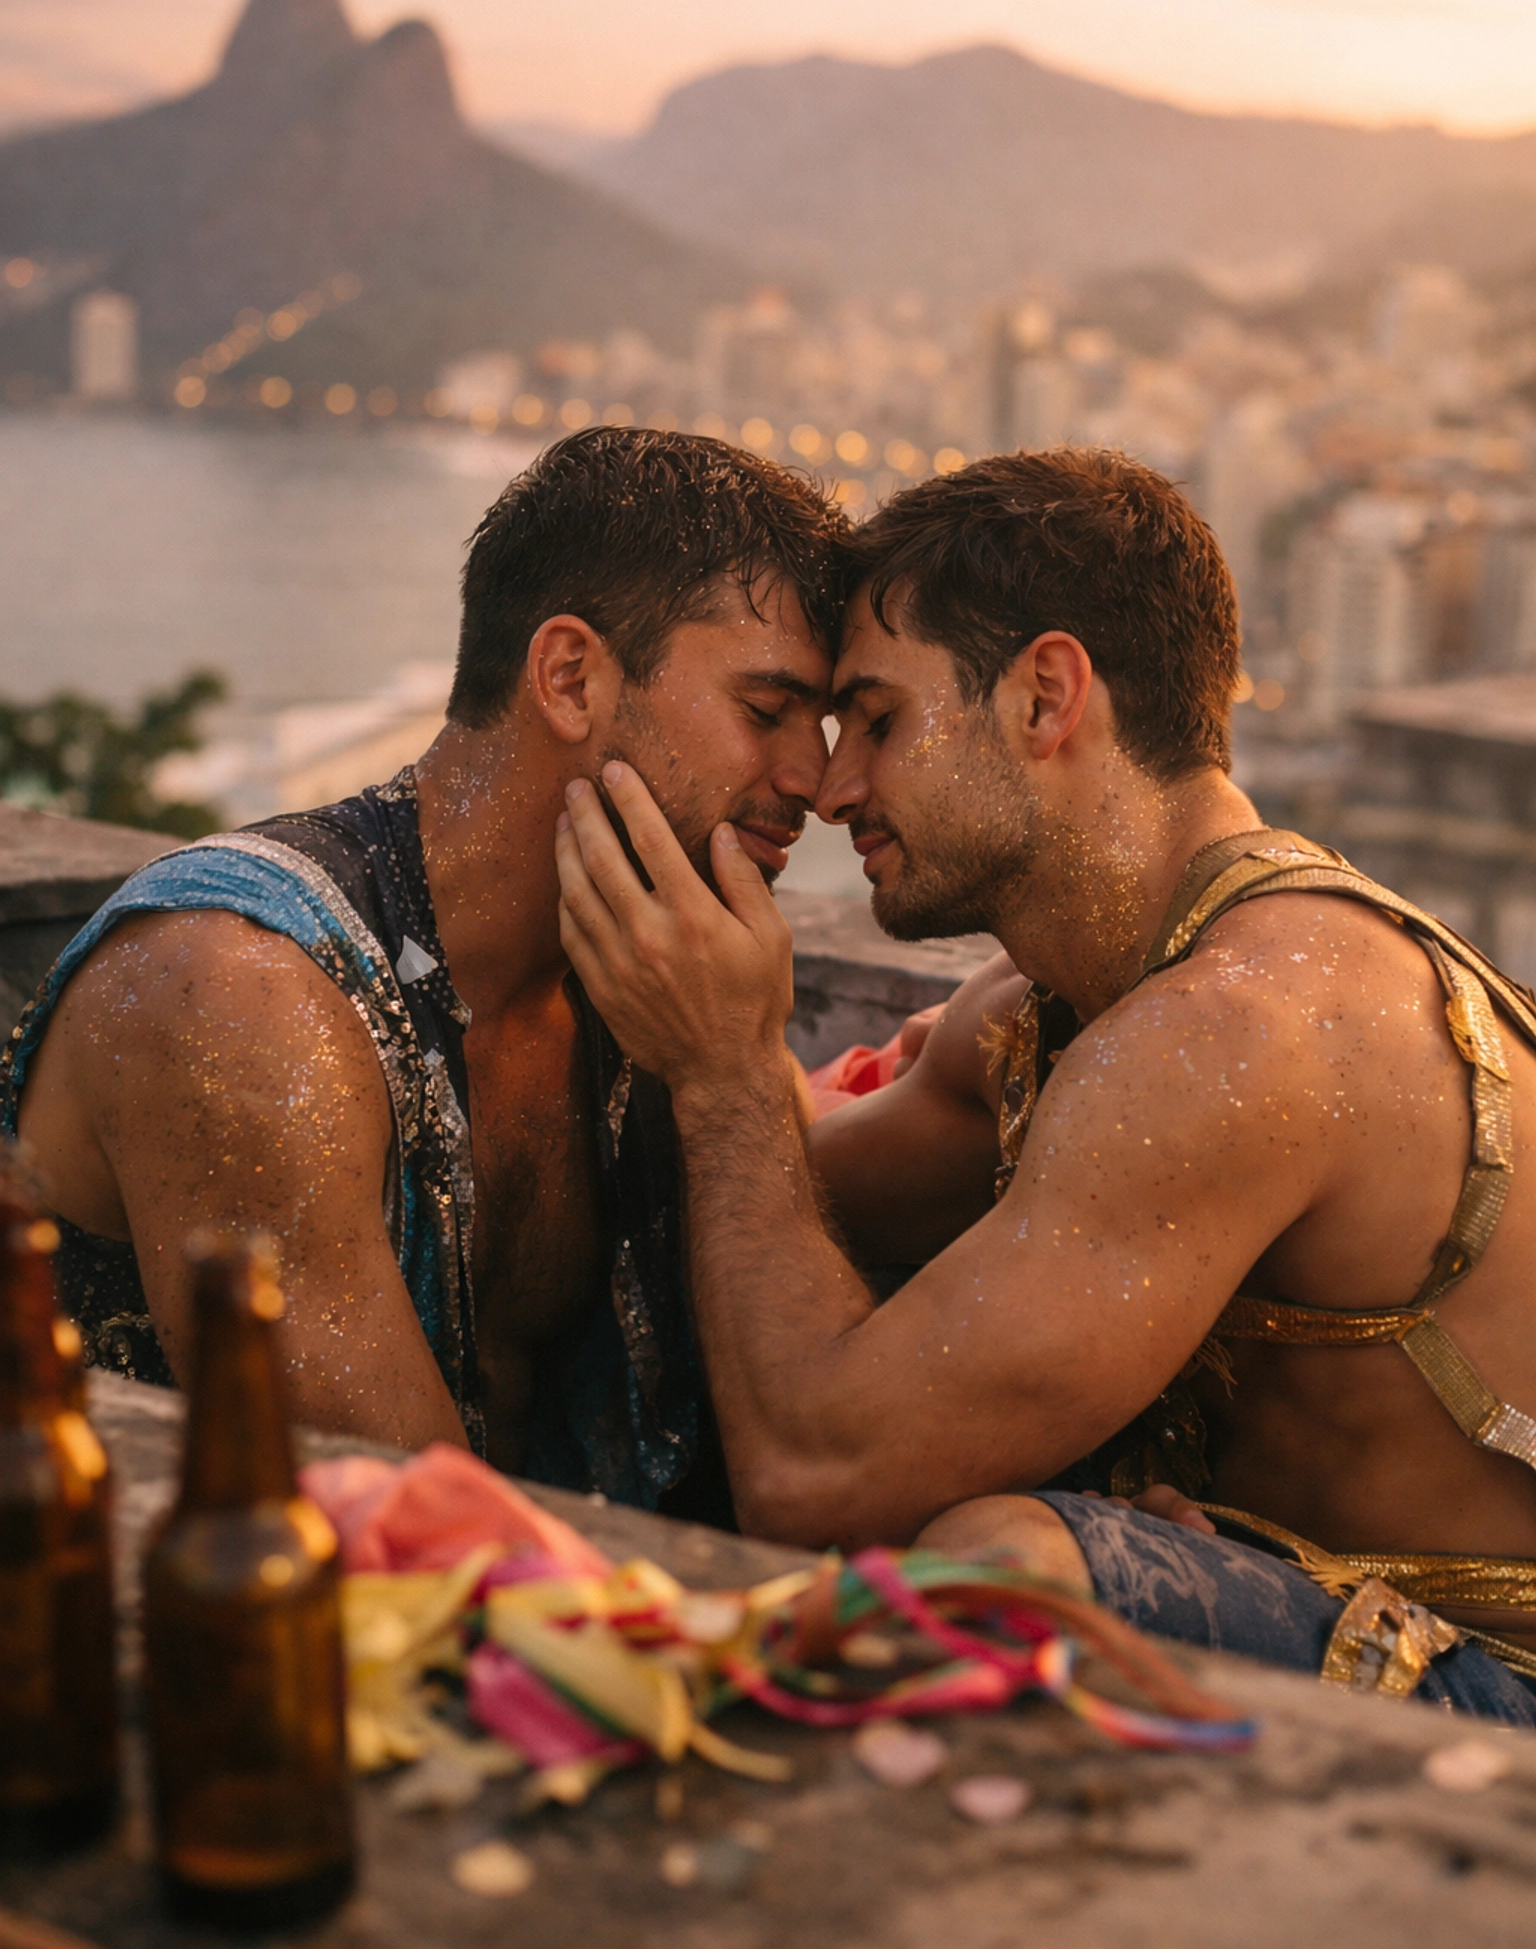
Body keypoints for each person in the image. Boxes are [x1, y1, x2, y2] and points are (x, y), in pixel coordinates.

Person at [555, 445, 1536, 1718]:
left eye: (882, 721)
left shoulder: (1241, 1029)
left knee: (1002, 1569)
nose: (834, 786)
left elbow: (814, 1476)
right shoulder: (1037, 1019)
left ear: (1045, 696)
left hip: (1493, 1702)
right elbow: (752, 1221)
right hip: (1297, 1586)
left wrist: (731, 1065)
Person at [3, 429, 847, 1514]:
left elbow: (833, 1226)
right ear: (570, 676)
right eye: (767, 712)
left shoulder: (657, 983)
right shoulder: (232, 987)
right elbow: (415, 1531)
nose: (814, 780)